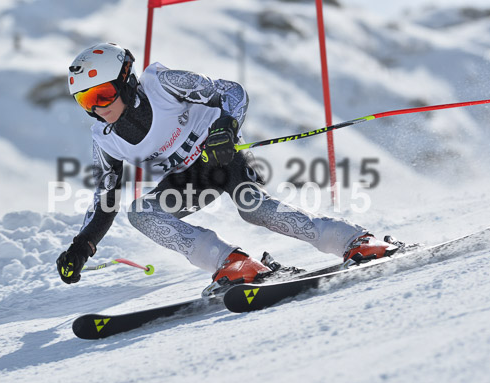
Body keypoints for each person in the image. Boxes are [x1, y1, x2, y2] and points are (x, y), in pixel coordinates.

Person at [57, 43, 401, 287]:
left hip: (223, 157)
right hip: (189, 182)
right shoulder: (104, 138)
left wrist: (225, 127)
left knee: (255, 209)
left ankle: (357, 240)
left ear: (126, 80)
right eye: (86, 100)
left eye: (103, 94)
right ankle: (234, 263)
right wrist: (82, 246)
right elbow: (107, 199)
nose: (98, 107)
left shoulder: (162, 84)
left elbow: (231, 91)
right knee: (140, 213)